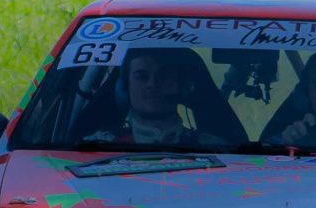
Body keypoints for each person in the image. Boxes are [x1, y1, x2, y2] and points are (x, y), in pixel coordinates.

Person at [89, 49, 222, 147]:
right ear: (125, 88)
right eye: (141, 77)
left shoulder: (213, 148)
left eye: (163, 76)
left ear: (182, 87)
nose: (152, 84)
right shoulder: (95, 147)